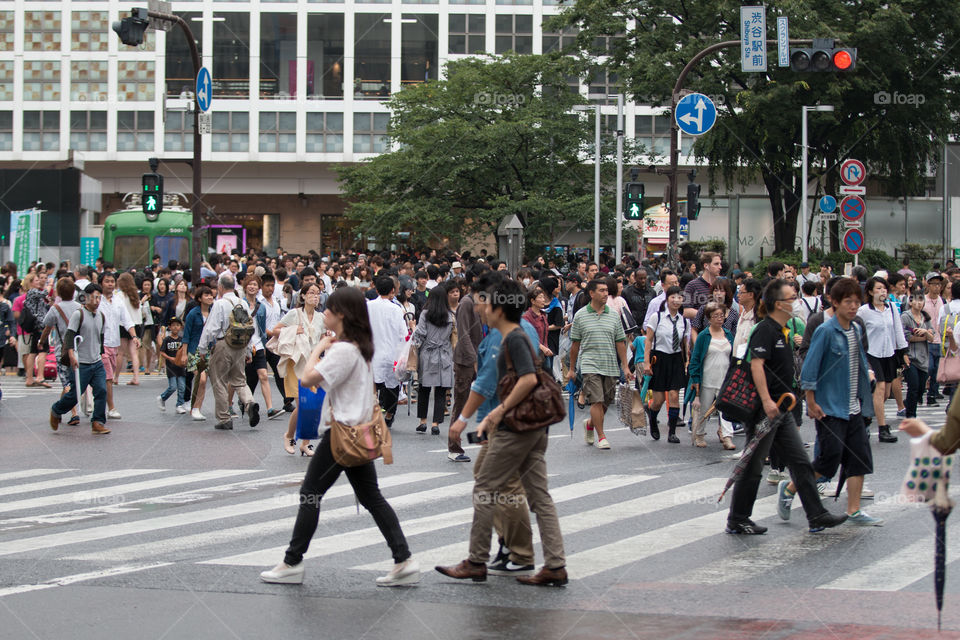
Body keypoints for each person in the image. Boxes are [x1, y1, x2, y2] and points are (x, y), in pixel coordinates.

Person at [260, 286, 420, 588]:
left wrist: (320, 348)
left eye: (329, 311)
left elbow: (308, 379)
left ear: (342, 315)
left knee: (310, 493)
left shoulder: (345, 350)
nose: (325, 314)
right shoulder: (358, 346)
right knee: (371, 497)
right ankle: (403, 559)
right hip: (358, 431)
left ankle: (292, 562)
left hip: (342, 433)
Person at [436, 278, 568, 587]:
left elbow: (528, 380)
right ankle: (555, 565)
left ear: (498, 308)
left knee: (485, 486)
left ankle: (476, 560)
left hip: (515, 428)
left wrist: (495, 413)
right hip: (531, 427)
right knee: (538, 495)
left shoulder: (513, 337)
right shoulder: (513, 335)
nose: (482, 307)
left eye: (487, 302)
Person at [725, 280, 849, 535]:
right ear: (779, 304)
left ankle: (816, 515)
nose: (796, 302)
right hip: (766, 409)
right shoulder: (765, 330)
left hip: (783, 409)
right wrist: (768, 401)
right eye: (792, 298)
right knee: (753, 466)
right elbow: (756, 365)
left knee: (800, 462)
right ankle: (737, 518)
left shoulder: (784, 329)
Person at [448, 270, 538, 576]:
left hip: (507, 420)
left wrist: (463, 419)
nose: (475, 307)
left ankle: (513, 551)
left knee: (501, 484)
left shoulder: (505, 334)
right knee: (492, 479)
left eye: (479, 301)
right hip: (509, 419)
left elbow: (486, 381)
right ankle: (508, 545)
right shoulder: (511, 329)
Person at [786, 277, 882, 526]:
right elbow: (810, 366)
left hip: (854, 406)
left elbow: (860, 361)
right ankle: (790, 488)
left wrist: (868, 376)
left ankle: (854, 510)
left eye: (856, 302)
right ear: (834, 302)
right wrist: (811, 401)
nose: (853, 307)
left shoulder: (857, 328)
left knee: (859, 459)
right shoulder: (825, 331)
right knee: (828, 462)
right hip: (829, 407)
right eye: (848, 302)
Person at [569, 278, 632, 450]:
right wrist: (571, 369)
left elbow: (620, 342)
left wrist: (625, 366)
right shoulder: (581, 315)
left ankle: (590, 424)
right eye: (602, 291)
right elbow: (575, 345)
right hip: (590, 364)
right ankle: (602, 436)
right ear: (591, 293)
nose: (606, 293)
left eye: (607, 291)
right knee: (596, 400)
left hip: (610, 364)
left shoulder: (613, 315)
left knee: (605, 401)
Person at [197, 273, 260, 431]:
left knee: (220, 381)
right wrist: (248, 351)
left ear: (220, 287)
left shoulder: (220, 303)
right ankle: (249, 402)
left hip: (223, 344)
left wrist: (202, 349)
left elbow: (211, 329)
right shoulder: (243, 303)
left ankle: (224, 418)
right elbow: (248, 327)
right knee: (239, 379)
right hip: (240, 346)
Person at [270, 281, 326, 455]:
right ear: (302, 296)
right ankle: (289, 435)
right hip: (297, 363)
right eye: (311, 293)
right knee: (302, 404)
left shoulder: (321, 317)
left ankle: (306, 443)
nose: (315, 296)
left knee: (313, 404)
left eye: (317, 293)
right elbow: (275, 330)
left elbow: (322, 339)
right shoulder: (294, 314)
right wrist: (294, 330)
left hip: (314, 363)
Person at [49, 283, 110, 435]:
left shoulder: (101, 316)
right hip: (81, 362)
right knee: (75, 395)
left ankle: (97, 422)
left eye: (99, 298)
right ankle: (56, 410)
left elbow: (100, 338)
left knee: (102, 390)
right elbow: (70, 335)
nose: (97, 301)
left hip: (96, 362)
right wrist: (71, 354)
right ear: (87, 297)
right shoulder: (79, 314)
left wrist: (102, 353)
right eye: (94, 297)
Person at [857, 277, 909, 443]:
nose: (882, 291)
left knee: (886, 393)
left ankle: (865, 417)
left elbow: (898, 331)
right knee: (879, 390)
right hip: (872, 354)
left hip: (889, 353)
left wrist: (904, 352)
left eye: (884, 288)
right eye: (878, 288)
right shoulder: (864, 311)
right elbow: (856, 331)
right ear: (871, 292)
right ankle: (883, 429)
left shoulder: (892, 308)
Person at [642, 285, 688, 443]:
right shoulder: (657, 317)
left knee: (674, 395)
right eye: (673, 297)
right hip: (659, 358)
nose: (676, 300)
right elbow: (648, 340)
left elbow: (684, 343)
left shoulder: (683, 320)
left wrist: (687, 361)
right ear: (667, 299)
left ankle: (672, 432)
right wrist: (646, 363)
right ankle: (653, 417)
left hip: (675, 359)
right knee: (659, 400)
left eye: (679, 297)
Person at [688, 301, 735, 449]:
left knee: (726, 410)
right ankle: (699, 434)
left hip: (725, 379)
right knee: (704, 409)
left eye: (722, 315)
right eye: (716, 316)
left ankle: (727, 437)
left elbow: (734, 356)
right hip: (707, 379)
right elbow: (695, 359)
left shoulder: (728, 334)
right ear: (709, 318)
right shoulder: (703, 336)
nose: (720, 318)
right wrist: (695, 378)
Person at [450, 269, 485, 462]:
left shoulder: (478, 302)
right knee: (461, 403)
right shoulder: (466, 303)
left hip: (478, 358)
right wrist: (474, 361)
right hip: (465, 361)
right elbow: (463, 335)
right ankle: (454, 447)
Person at [412, 281, 455, 435]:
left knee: (424, 388)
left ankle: (422, 421)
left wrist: (412, 332)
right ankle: (435, 423)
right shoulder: (450, 315)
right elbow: (452, 336)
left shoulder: (425, 314)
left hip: (427, 354)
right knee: (441, 390)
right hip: (444, 353)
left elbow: (420, 334)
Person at [38, 277, 82, 425]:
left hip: (61, 352)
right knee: (73, 381)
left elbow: (47, 327)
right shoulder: (80, 307)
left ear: (59, 292)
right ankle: (64, 410)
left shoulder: (55, 308)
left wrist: (41, 341)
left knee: (66, 384)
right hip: (78, 350)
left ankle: (73, 413)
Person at [367, 276, 408, 430]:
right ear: (393, 290)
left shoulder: (368, 306)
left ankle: (372, 414)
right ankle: (389, 415)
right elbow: (402, 333)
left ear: (376, 290)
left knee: (372, 386)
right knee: (392, 386)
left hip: (372, 352)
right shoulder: (396, 309)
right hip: (392, 353)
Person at [98, 272, 140, 420]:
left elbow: (127, 321)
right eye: (107, 281)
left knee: (103, 378)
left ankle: (91, 400)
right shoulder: (96, 300)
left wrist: (134, 336)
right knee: (108, 378)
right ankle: (111, 408)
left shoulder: (118, 301)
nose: (110, 284)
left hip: (114, 345)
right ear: (101, 283)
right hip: (100, 346)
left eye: (112, 281)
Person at [183, 286, 214, 421]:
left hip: (209, 350)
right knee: (201, 379)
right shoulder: (193, 313)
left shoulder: (214, 312)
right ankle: (194, 407)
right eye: (206, 295)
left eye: (211, 295)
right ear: (199, 298)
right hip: (194, 349)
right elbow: (186, 334)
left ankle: (196, 408)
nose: (209, 297)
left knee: (203, 380)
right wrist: (184, 354)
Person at [115, 272, 143, 385]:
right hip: (137, 325)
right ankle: (136, 377)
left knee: (120, 352)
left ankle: (116, 377)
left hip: (123, 325)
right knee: (134, 353)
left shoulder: (120, 296)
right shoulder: (136, 295)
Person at [157, 316, 187, 414]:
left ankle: (179, 404)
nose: (175, 327)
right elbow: (162, 352)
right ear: (169, 327)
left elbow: (185, 351)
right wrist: (170, 358)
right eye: (173, 325)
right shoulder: (167, 340)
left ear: (181, 327)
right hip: (171, 367)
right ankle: (162, 397)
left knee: (182, 386)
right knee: (173, 387)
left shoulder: (182, 340)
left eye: (177, 325)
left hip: (181, 366)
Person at [924, 272, 946, 405]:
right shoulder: (923, 300)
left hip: (939, 340)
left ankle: (932, 395)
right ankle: (923, 390)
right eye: (934, 284)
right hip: (926, 340)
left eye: (939, 284)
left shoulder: (941, 301)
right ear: (928, 285)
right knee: (930, 368)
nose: (937, 287)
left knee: (937, 369)